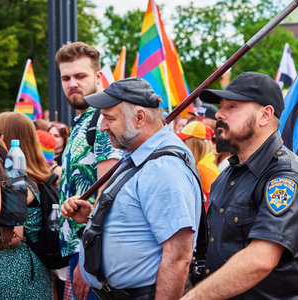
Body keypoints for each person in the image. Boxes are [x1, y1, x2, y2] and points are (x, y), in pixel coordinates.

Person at [182, 72, 298, 299]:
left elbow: (260, 259)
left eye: (232, 107)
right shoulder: (226, 175)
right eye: (221, 106)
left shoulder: (285, 176)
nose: (219, 114)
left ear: (265, 115)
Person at [60, 77, 202, 299]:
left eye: (109, 118)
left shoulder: (163, 168)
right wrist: (93, 217)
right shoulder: (138, 155)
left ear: (139, 118)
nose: (103, 126)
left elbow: (177, 258)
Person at [55, 41, 122, 300]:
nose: (72, 83)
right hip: (77, 250)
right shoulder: (82, 121)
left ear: (98, 77)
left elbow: (109, 197)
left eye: (80, 76)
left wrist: (87, 260)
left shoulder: (103, 120)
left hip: (93, 254)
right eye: (66, 77)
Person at [0, 112, 54, 299]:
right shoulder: (31, 178)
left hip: (15, 272)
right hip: (29, 270)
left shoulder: (16, 182)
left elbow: (14, 235)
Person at [177, 120, 220, 211]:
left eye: (184, 142)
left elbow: (208, 208)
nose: (181, 145)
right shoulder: (204, 165)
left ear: (196, 144)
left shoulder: (203, 170)